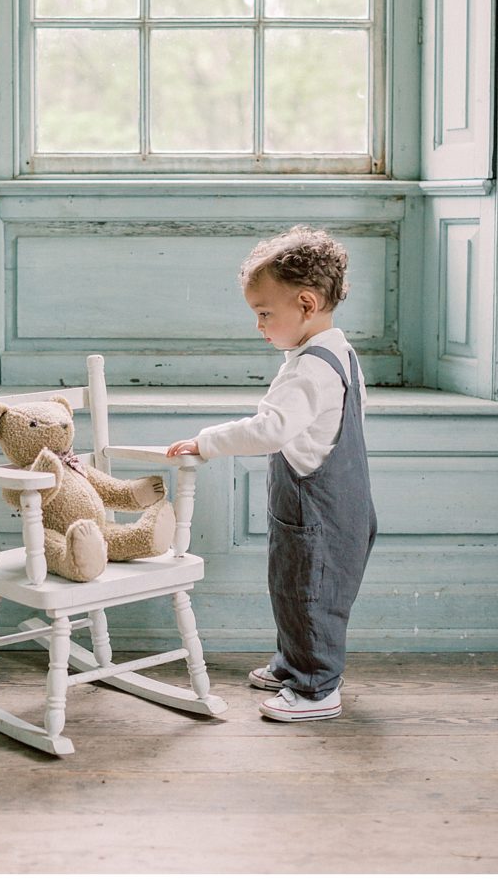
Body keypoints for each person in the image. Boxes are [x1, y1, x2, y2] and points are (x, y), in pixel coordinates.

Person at [167, 225, 377, 722]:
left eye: (264, 313)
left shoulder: (309, 370)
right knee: (293, 593)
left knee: (311, 598)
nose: (259, 325)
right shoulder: (337, 354)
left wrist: (207, 441)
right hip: (331, 506)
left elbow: (271, 429)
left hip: (319, 515)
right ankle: (293, 663)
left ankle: (316, 689)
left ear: (306, 303)